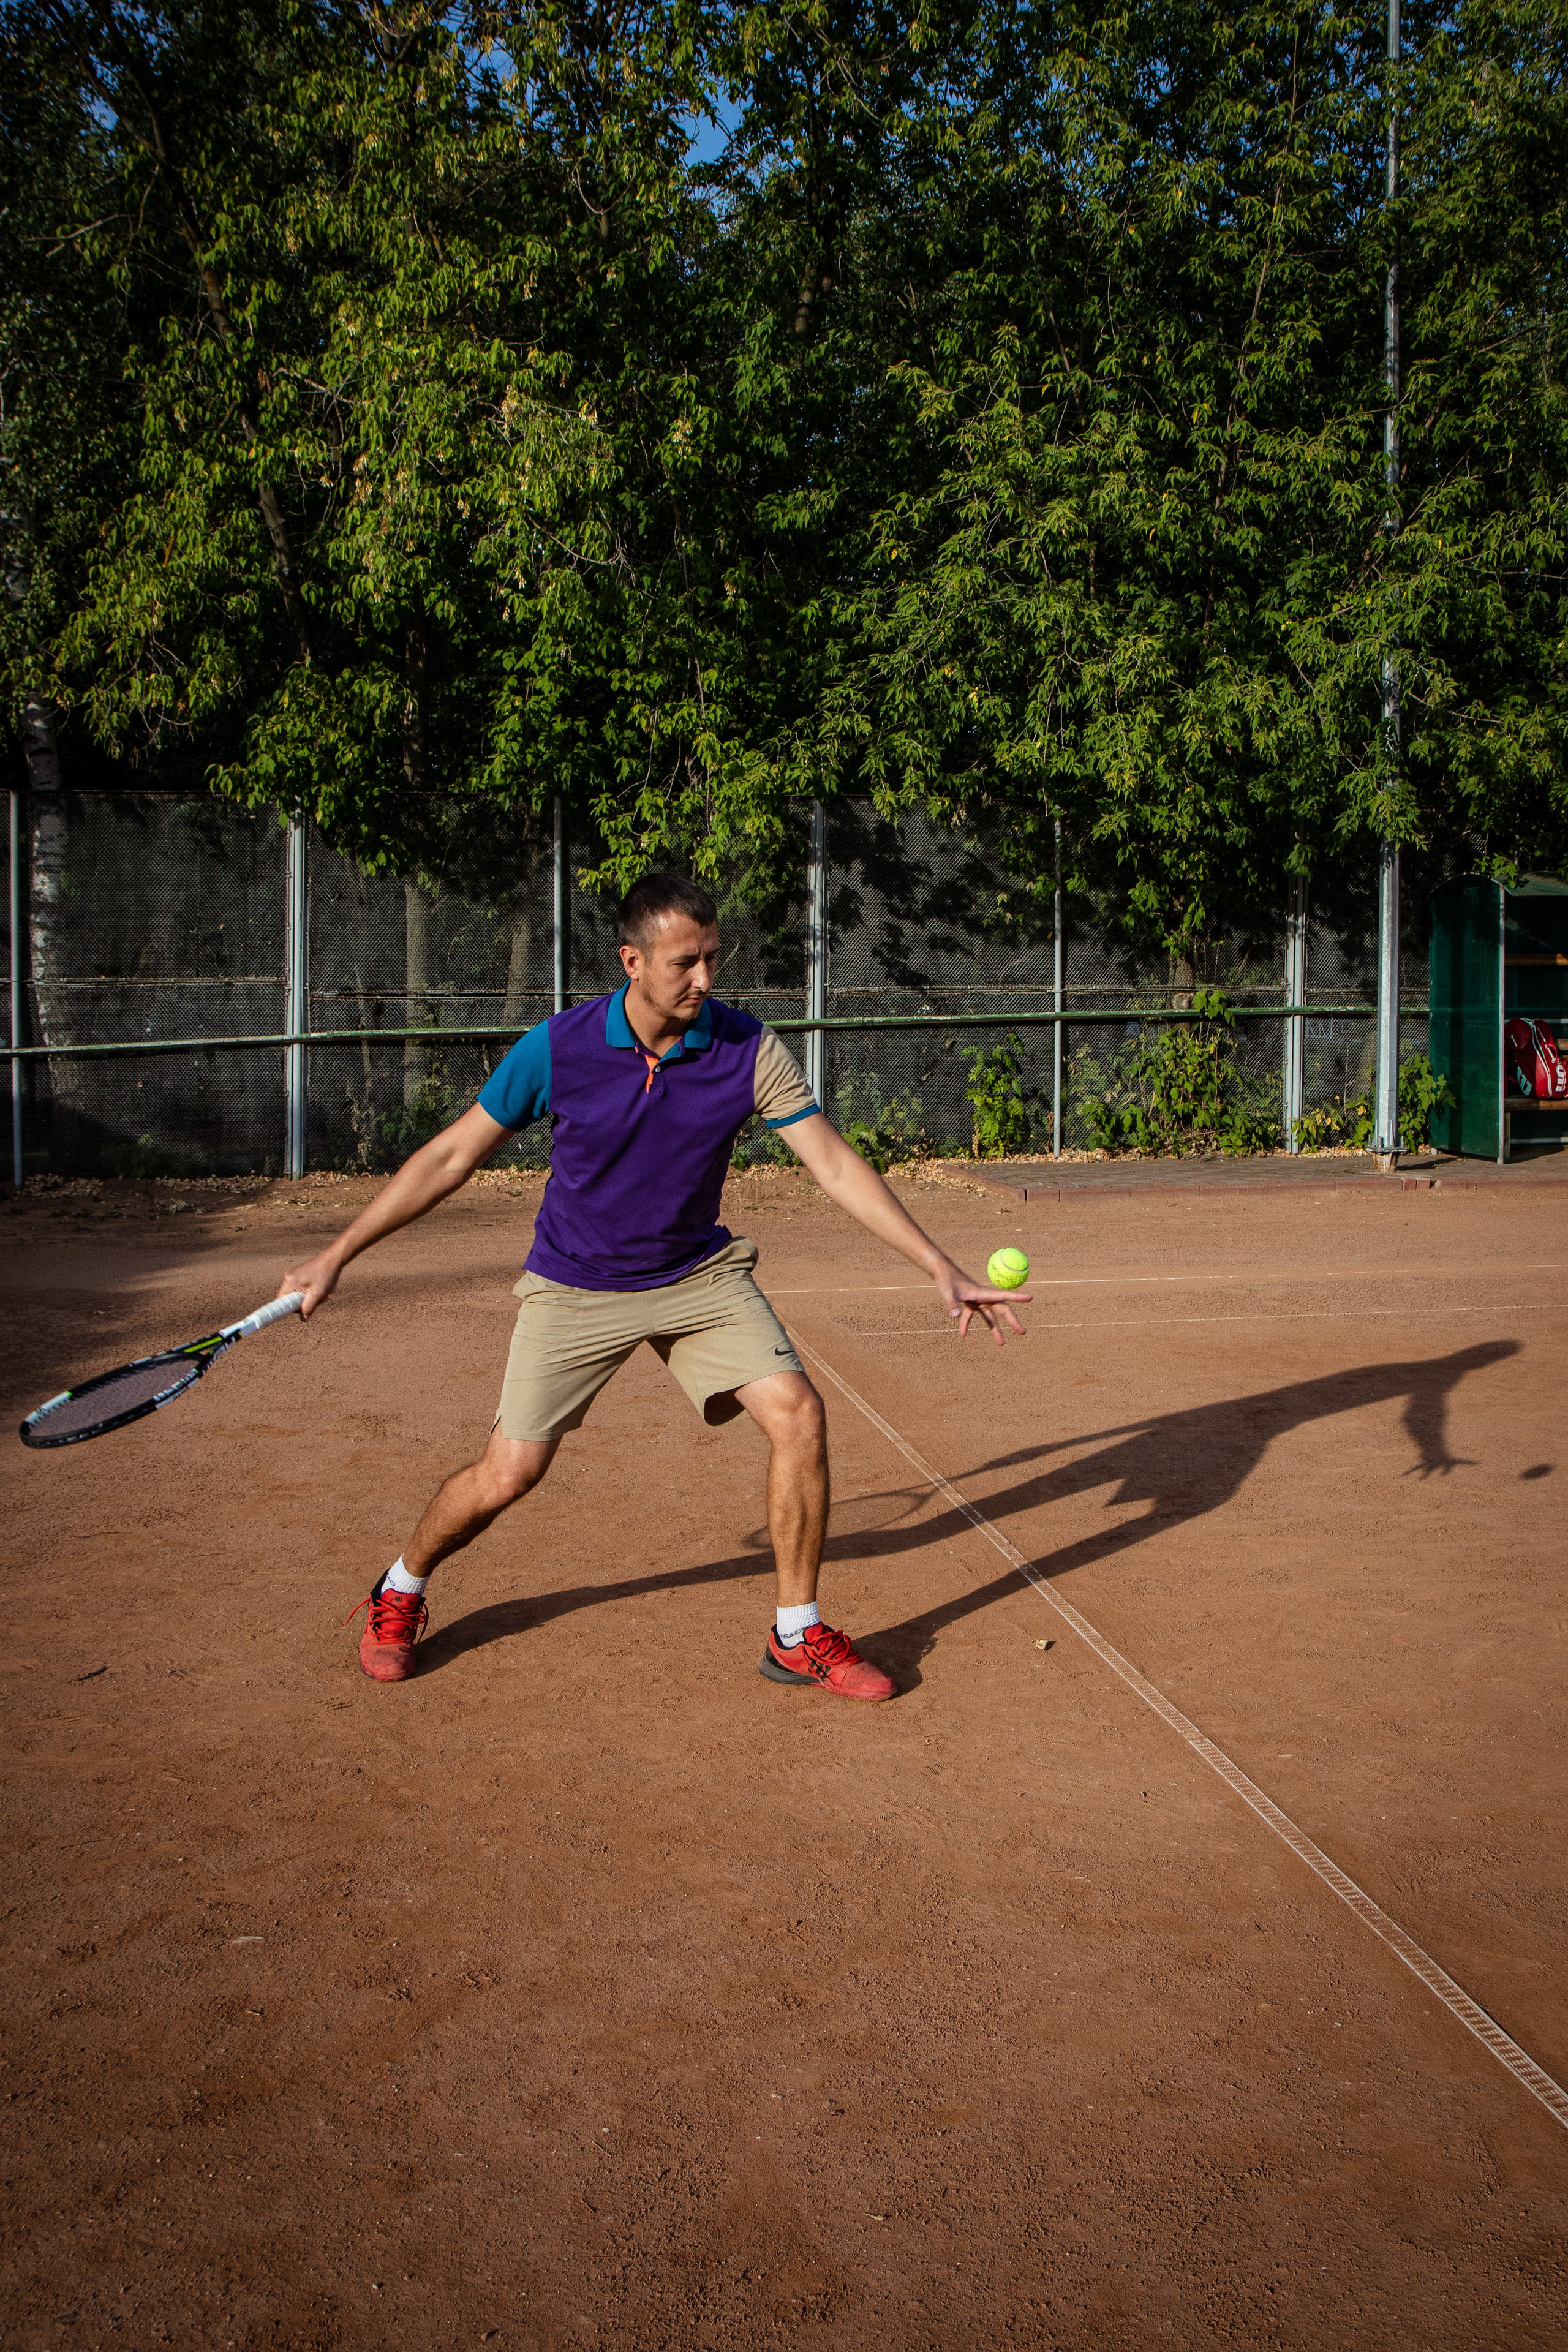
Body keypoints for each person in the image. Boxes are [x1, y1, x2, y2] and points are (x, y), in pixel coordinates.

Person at [281, 873, 1030, 1700]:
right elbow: (452, 1157)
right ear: (632, 961)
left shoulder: (746, 1047)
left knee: (799, 1413)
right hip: (575, 1283)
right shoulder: (558, 1048)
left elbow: (834, 1162)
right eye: (685, 963)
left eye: (713, 958)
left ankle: (796, 1633)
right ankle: (400, 1588)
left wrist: (938, 1265)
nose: (705, 980)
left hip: (695, 1274)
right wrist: (337, 1253)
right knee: (508, 1474)